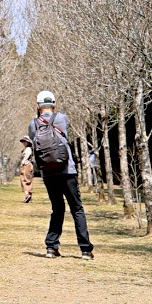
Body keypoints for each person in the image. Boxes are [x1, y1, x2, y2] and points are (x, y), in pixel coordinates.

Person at [27, 90, 94, 259]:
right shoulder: (61, 118)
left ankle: (51, 246)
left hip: (48, 173)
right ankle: (85, 249)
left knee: (57, 208)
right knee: (77, 208)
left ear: (37, 106)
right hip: (67, 170)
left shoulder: (32, 125)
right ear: (54, 104)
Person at [19, 137, 35, 203]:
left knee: (24, 180)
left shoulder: (28, 149)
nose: (23, 143)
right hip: (29, 165)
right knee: (28, 180)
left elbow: (26, 157)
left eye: (25, 141)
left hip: (26, 165)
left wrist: (22, 163)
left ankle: (27, 195)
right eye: (23, 141)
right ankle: (29, 197)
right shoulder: (28, 149)